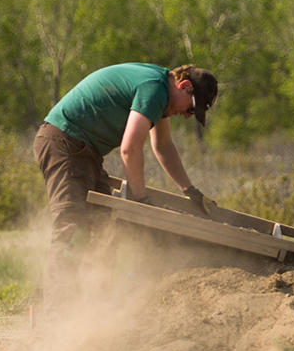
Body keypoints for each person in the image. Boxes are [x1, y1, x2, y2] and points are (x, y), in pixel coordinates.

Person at [32, 63, 218, 285]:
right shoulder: (154, 88)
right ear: (185, 86)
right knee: (71, 227)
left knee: (104, 227)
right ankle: (57, 315)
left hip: (84, 152)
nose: (188, 117)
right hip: (64, 142)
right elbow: (129, 149)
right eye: (191, 109)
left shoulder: (159, 90)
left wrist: (191, 191)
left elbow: (163, 146)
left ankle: (94, 304)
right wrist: (139, 201)